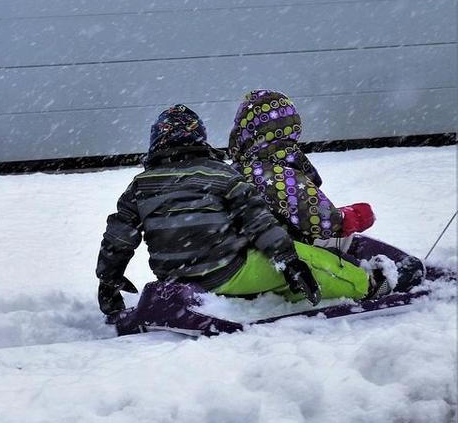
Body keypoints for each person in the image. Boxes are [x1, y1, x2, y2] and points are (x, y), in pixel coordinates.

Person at [95, 104, 387, 320]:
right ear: (201, 141)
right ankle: (369, 283)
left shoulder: (140, 186)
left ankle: (276, 290)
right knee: (311, 261)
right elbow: (259, 222)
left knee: (275, 268)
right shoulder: (222, 176)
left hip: (174, 275)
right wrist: (289, 260)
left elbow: (118, 237)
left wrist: (108, 280)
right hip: (227, 271)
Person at [227, 88, 424, 291]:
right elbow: (320, 219)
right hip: (289, 253)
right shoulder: (277, 176)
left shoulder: (236, 169)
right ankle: (375, 280)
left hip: (250, 251)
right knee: (337, 241)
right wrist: (351, 216)